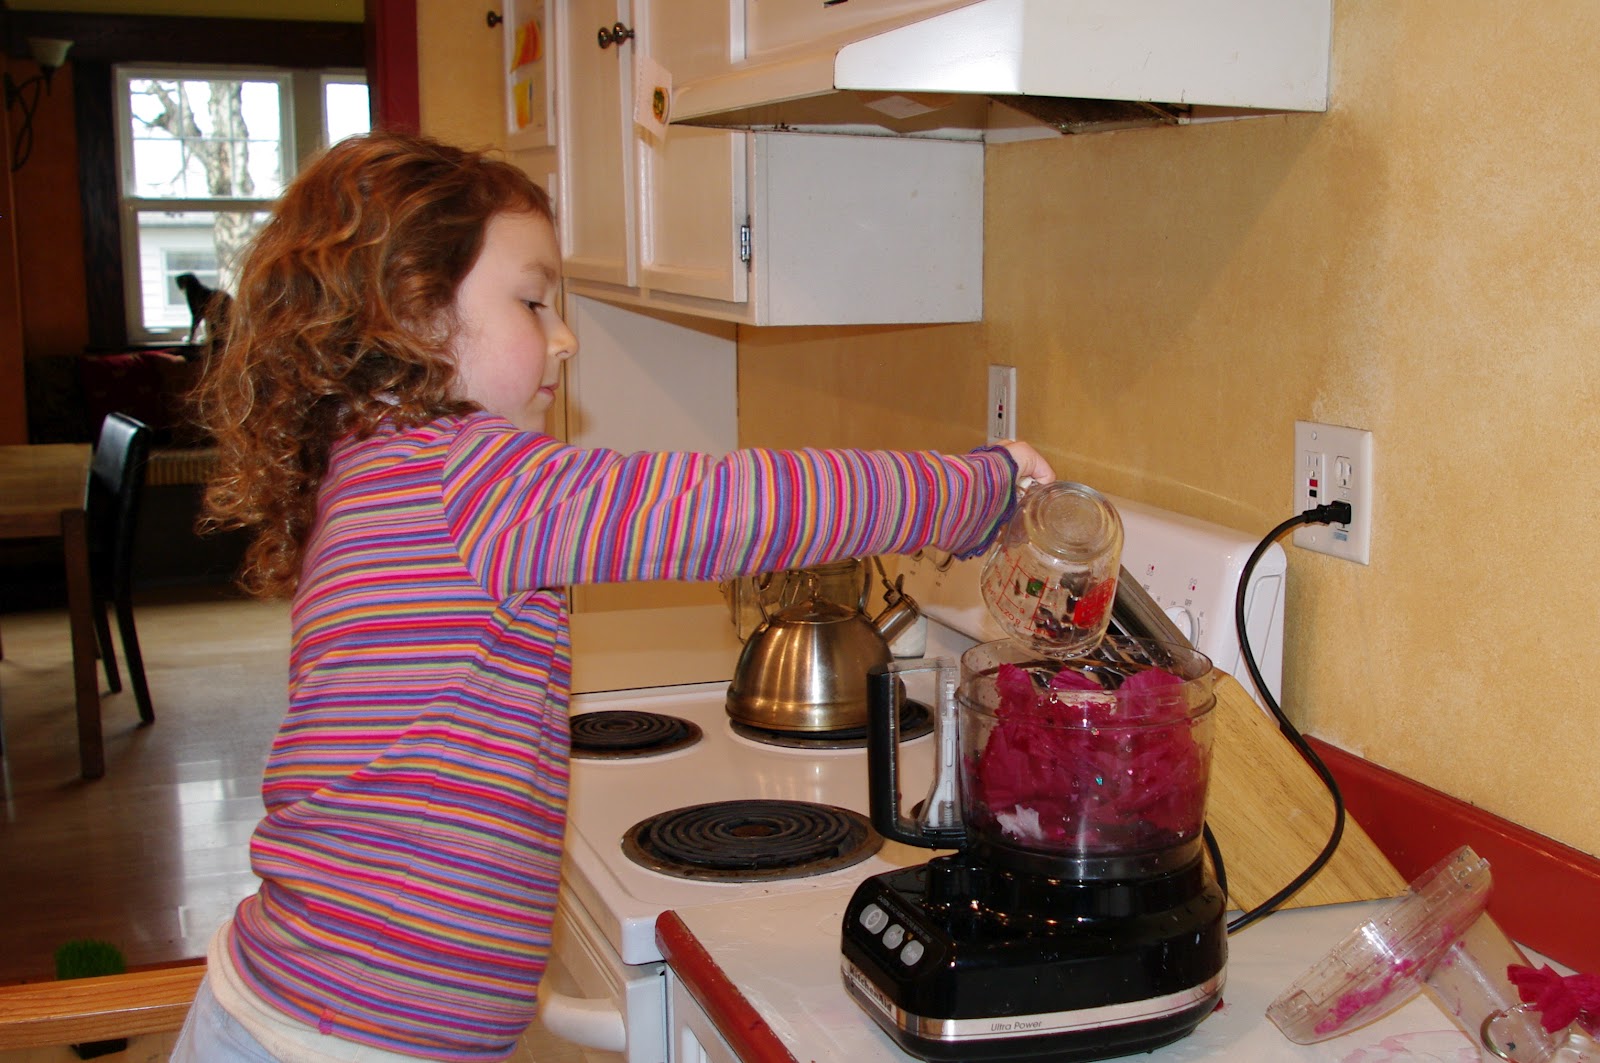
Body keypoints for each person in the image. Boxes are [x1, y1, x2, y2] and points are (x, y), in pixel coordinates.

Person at [171, 130, 1055, 1063]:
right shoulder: (460, 477)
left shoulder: (377, 464)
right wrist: (970, 490)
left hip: (313, 1011)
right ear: (413, 311)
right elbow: (727, 509)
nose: (565, 336)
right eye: (532, 300)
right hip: (336, 1036)